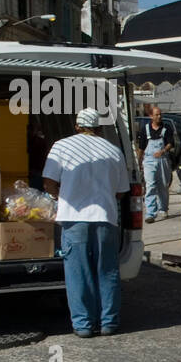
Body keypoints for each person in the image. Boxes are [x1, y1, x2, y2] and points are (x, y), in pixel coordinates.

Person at [43, 108, 130, 338]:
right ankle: (108, 323)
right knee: (107, 270)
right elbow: (121, 192)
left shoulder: (62, 146)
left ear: (77, 126)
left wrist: (61, 195)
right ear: (99, 127)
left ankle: (83, 325)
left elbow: (49, 182)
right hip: (105, 219)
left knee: (78, 273)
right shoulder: (113, 150)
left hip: (74, 220)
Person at [136, 104, 175, 222]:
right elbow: (141, 147)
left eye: (160, 114)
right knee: (150, 185)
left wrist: (163, 151)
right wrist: (139, 161)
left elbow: (170, 143)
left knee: (163, 185)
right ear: (151, 116)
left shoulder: (166, 128)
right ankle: (150, 213)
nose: (159, 117)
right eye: (156, 115)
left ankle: (163, 209)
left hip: (162, 160)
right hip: (148, 161)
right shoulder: (145, 129)